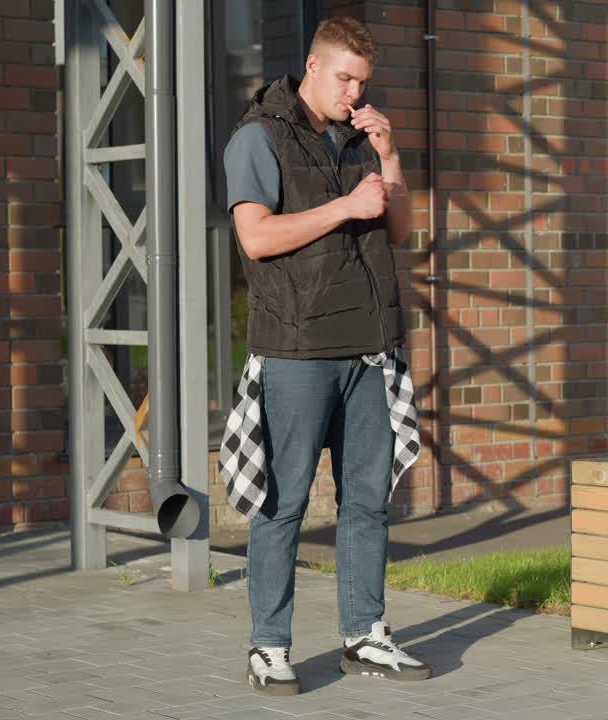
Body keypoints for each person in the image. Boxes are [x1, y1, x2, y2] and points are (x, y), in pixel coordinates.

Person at [221, 16, 429, 695]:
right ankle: (268, 646)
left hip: (369, 349)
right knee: (283, 504)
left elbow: (399, 230)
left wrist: (390, 157)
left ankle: (365, 635)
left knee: (367, 502)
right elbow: (256, 238)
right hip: (298, 348)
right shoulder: (259, 137)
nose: (354, 93)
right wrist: (344, 206)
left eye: (362, 83)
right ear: (312, 66)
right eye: (345, 79)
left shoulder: (361, 138)